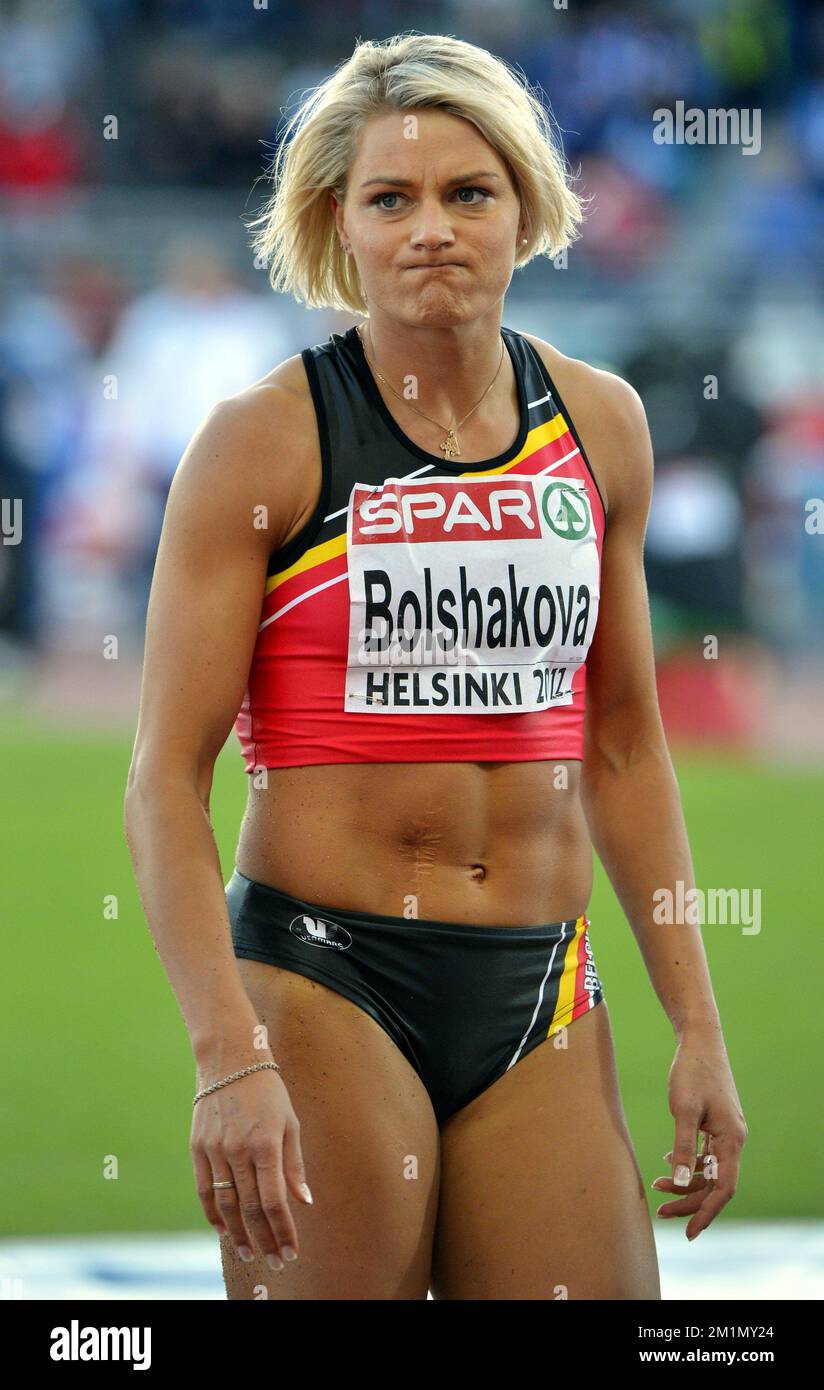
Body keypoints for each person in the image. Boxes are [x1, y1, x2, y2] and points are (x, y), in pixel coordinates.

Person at [124, 32, 747, 1301]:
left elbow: (623, 742)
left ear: (525, 206)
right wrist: (227, 1056)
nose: (432, 229)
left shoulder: (598, 422)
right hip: (323, 978)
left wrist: (696, 1025)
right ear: (335, 223)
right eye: (388, 198)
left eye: (468, 192)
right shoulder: (260, 443)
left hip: (541, 989)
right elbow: (161, 782)